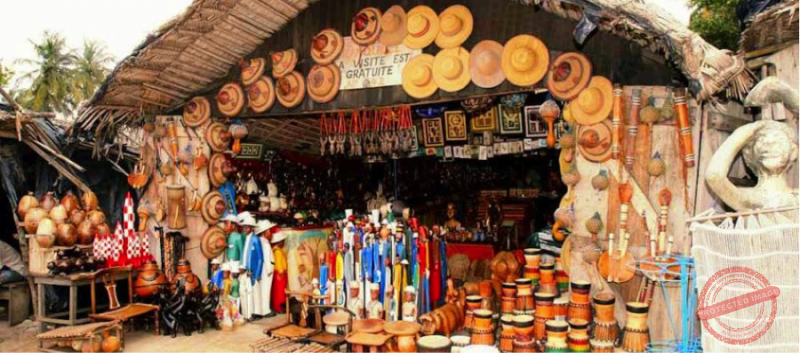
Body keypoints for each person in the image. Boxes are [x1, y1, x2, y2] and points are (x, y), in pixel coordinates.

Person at [706, 119, 798, 211]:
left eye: (779, 139)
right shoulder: (748, 199)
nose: (769, 144)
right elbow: (714, 176)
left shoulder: (797, 199)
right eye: (761, 140)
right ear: (750, 153)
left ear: (793, 151)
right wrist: (747, 131)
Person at [253, 219, 277, 317]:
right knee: (266, 290)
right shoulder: (266, 243)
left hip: (261, 270)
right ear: (265, 232)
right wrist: (269, 269)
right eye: (269, 231)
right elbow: (267, 258)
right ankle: (266, 310)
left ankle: (261, 310)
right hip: (266, 270)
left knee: (261, 290)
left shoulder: (259, 241)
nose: (270, 233)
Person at [271, 229, 287, 313]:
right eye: (283, 241)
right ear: (279, 242)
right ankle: (279, 307)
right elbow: (278, 263)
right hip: (279, 274)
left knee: (279, 291)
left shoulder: (276, 250)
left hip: (279, 274)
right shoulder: (277, 251)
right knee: (279, 292)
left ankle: (279, 306)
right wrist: (281, 272)